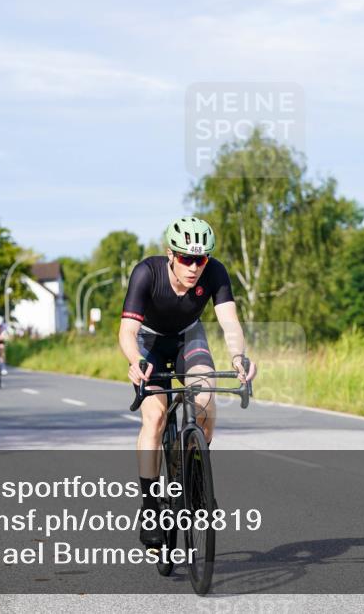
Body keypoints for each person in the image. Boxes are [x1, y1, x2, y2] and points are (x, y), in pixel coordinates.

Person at [118, 216, 257, 549]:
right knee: (155, 416)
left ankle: (192, 478)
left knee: (206, 397)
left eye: (201, 258)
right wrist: (135, 361)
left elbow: (230, 323)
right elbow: (128, 331)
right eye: (186, 258)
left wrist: (238, 357)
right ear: (170, 254)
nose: (194, 266)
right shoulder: (146, 273)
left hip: (187, 337)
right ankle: (150, 508)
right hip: (148, 343)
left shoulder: (215, 272)